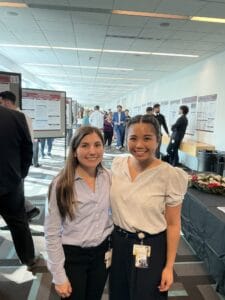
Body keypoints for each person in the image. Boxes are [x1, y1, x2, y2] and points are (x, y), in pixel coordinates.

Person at [109, 114, 188, 300]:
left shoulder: (170, 175)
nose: (139, 145)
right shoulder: (118, 164)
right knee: (118, 294)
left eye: (147, 138)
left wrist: (169, 267)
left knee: (147, 296)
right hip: (118, 243)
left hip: (150, 246)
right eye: (133, 138)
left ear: (158, 140)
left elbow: (173, 224)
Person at [45, 126, 113, 300]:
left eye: (98, 145)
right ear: (74, 151)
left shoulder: (108, 177)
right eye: (85, 145)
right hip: (73, 257)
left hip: (101, 254)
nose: (92, 151)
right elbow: (52, 233)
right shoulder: (62, 184)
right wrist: (59, 276)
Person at [0, 105, 39, 270]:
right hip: (10, 181)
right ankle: (28, 258)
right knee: (18, 222)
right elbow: (27, 149)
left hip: (11, 180)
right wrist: (20, 174)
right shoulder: (15, 117)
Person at [0, 91, 40, 221]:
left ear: (6, 101)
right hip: (14, 166)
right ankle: (27, 210)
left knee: (15, 196)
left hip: (16, 166)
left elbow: (27, 144)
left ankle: (28, 210)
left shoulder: (19, 116)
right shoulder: (18, 116)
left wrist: (22, 171)